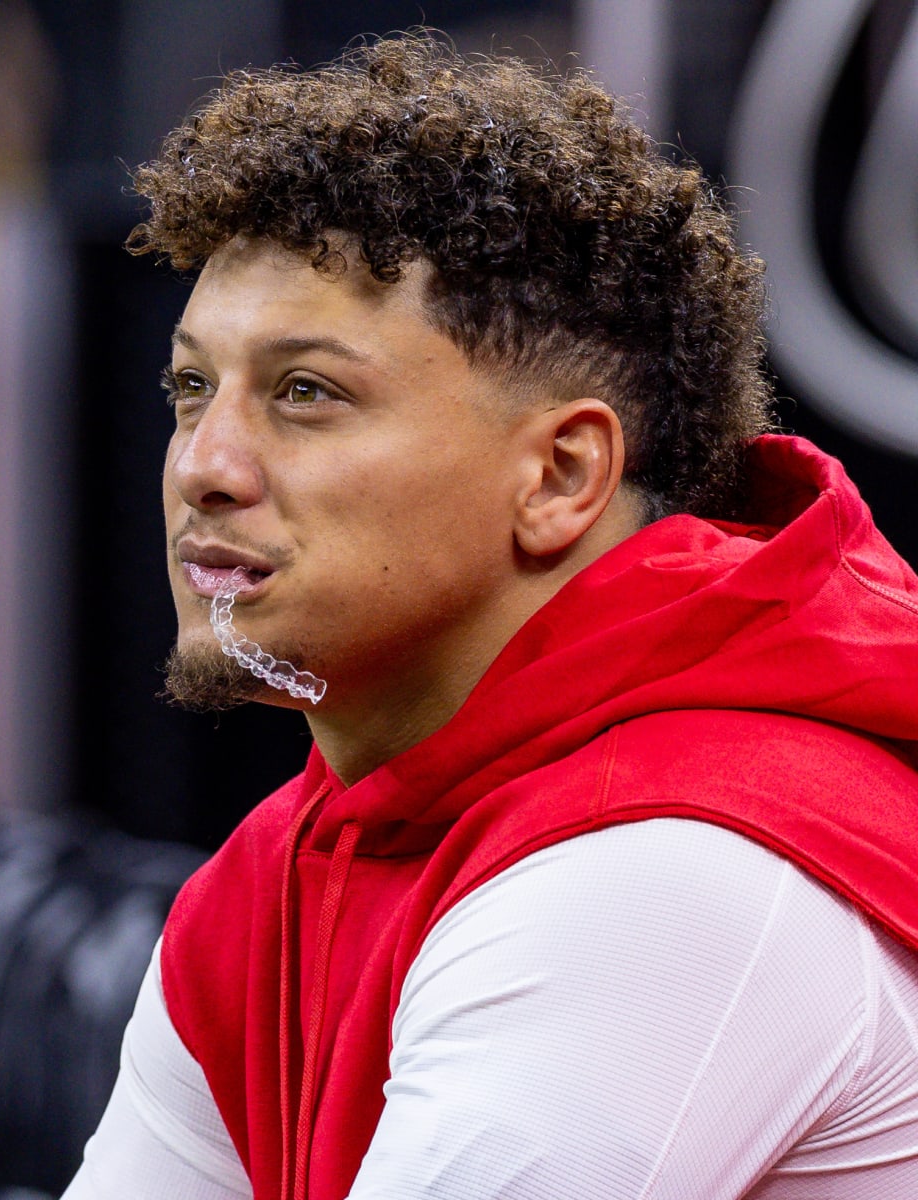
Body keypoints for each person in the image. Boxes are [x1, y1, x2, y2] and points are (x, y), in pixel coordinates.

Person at [62, 33, 918, 1200]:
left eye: (306, 393)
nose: (202, 467)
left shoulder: (660, 875)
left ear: (562, 477)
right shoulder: (289, 863)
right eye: (191, 388)